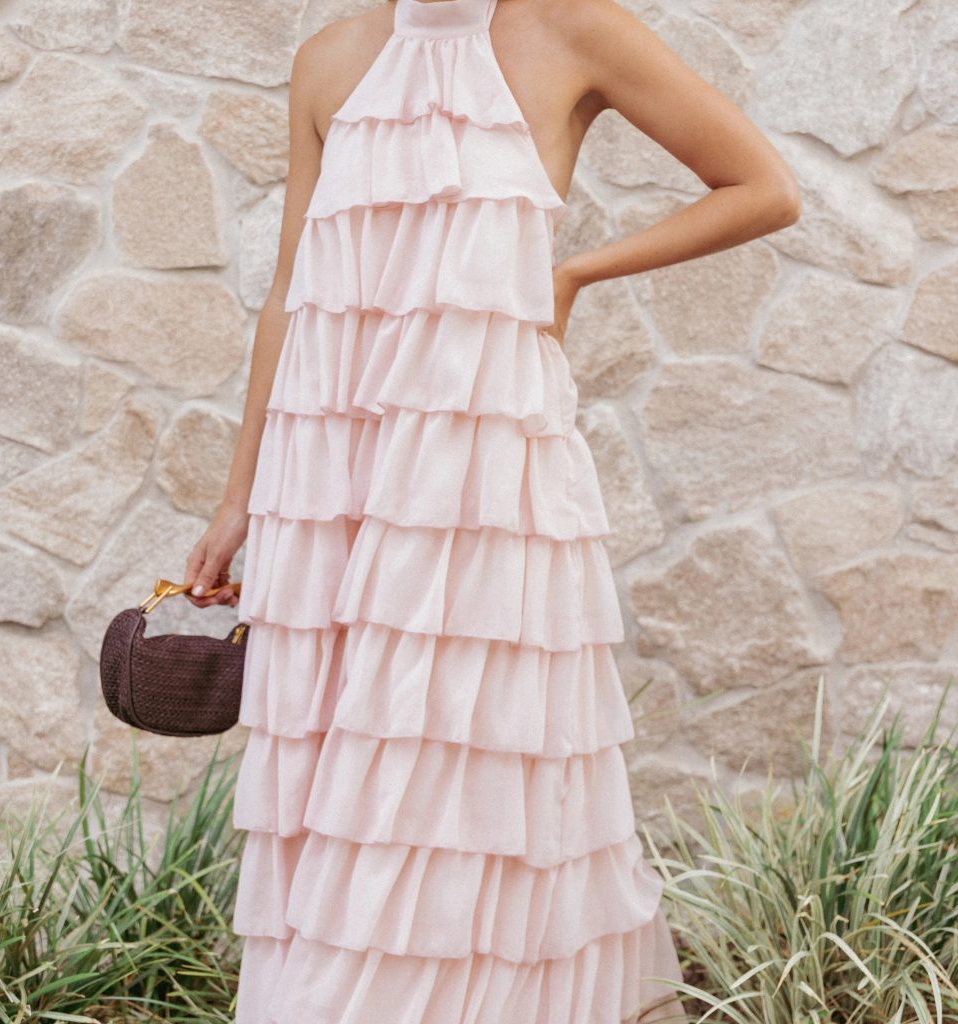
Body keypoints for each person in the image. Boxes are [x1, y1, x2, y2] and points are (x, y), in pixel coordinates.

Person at [185, 0, 801, 1020]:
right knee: (341, 777)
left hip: (486, 476)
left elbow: (762, 187)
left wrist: (571, 275)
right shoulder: (326, 62)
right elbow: (292, 289)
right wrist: (238, 496)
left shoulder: (575, 28)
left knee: (472, 770)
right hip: (331, 478)